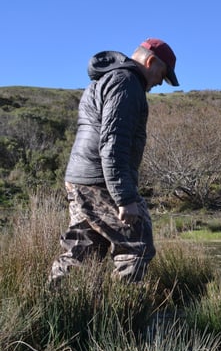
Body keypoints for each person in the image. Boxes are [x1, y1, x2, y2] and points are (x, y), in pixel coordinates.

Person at [50, 37, 180, 284]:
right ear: (150, 61)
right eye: (162, 74)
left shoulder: (107, 79)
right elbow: (113, 143)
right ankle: (126, 315)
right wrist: (125, 198)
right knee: (137, 244)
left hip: (81, 178)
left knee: (84, 249)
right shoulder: (127, 83)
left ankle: (55, 307)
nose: (161, 82)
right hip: (100, 180)